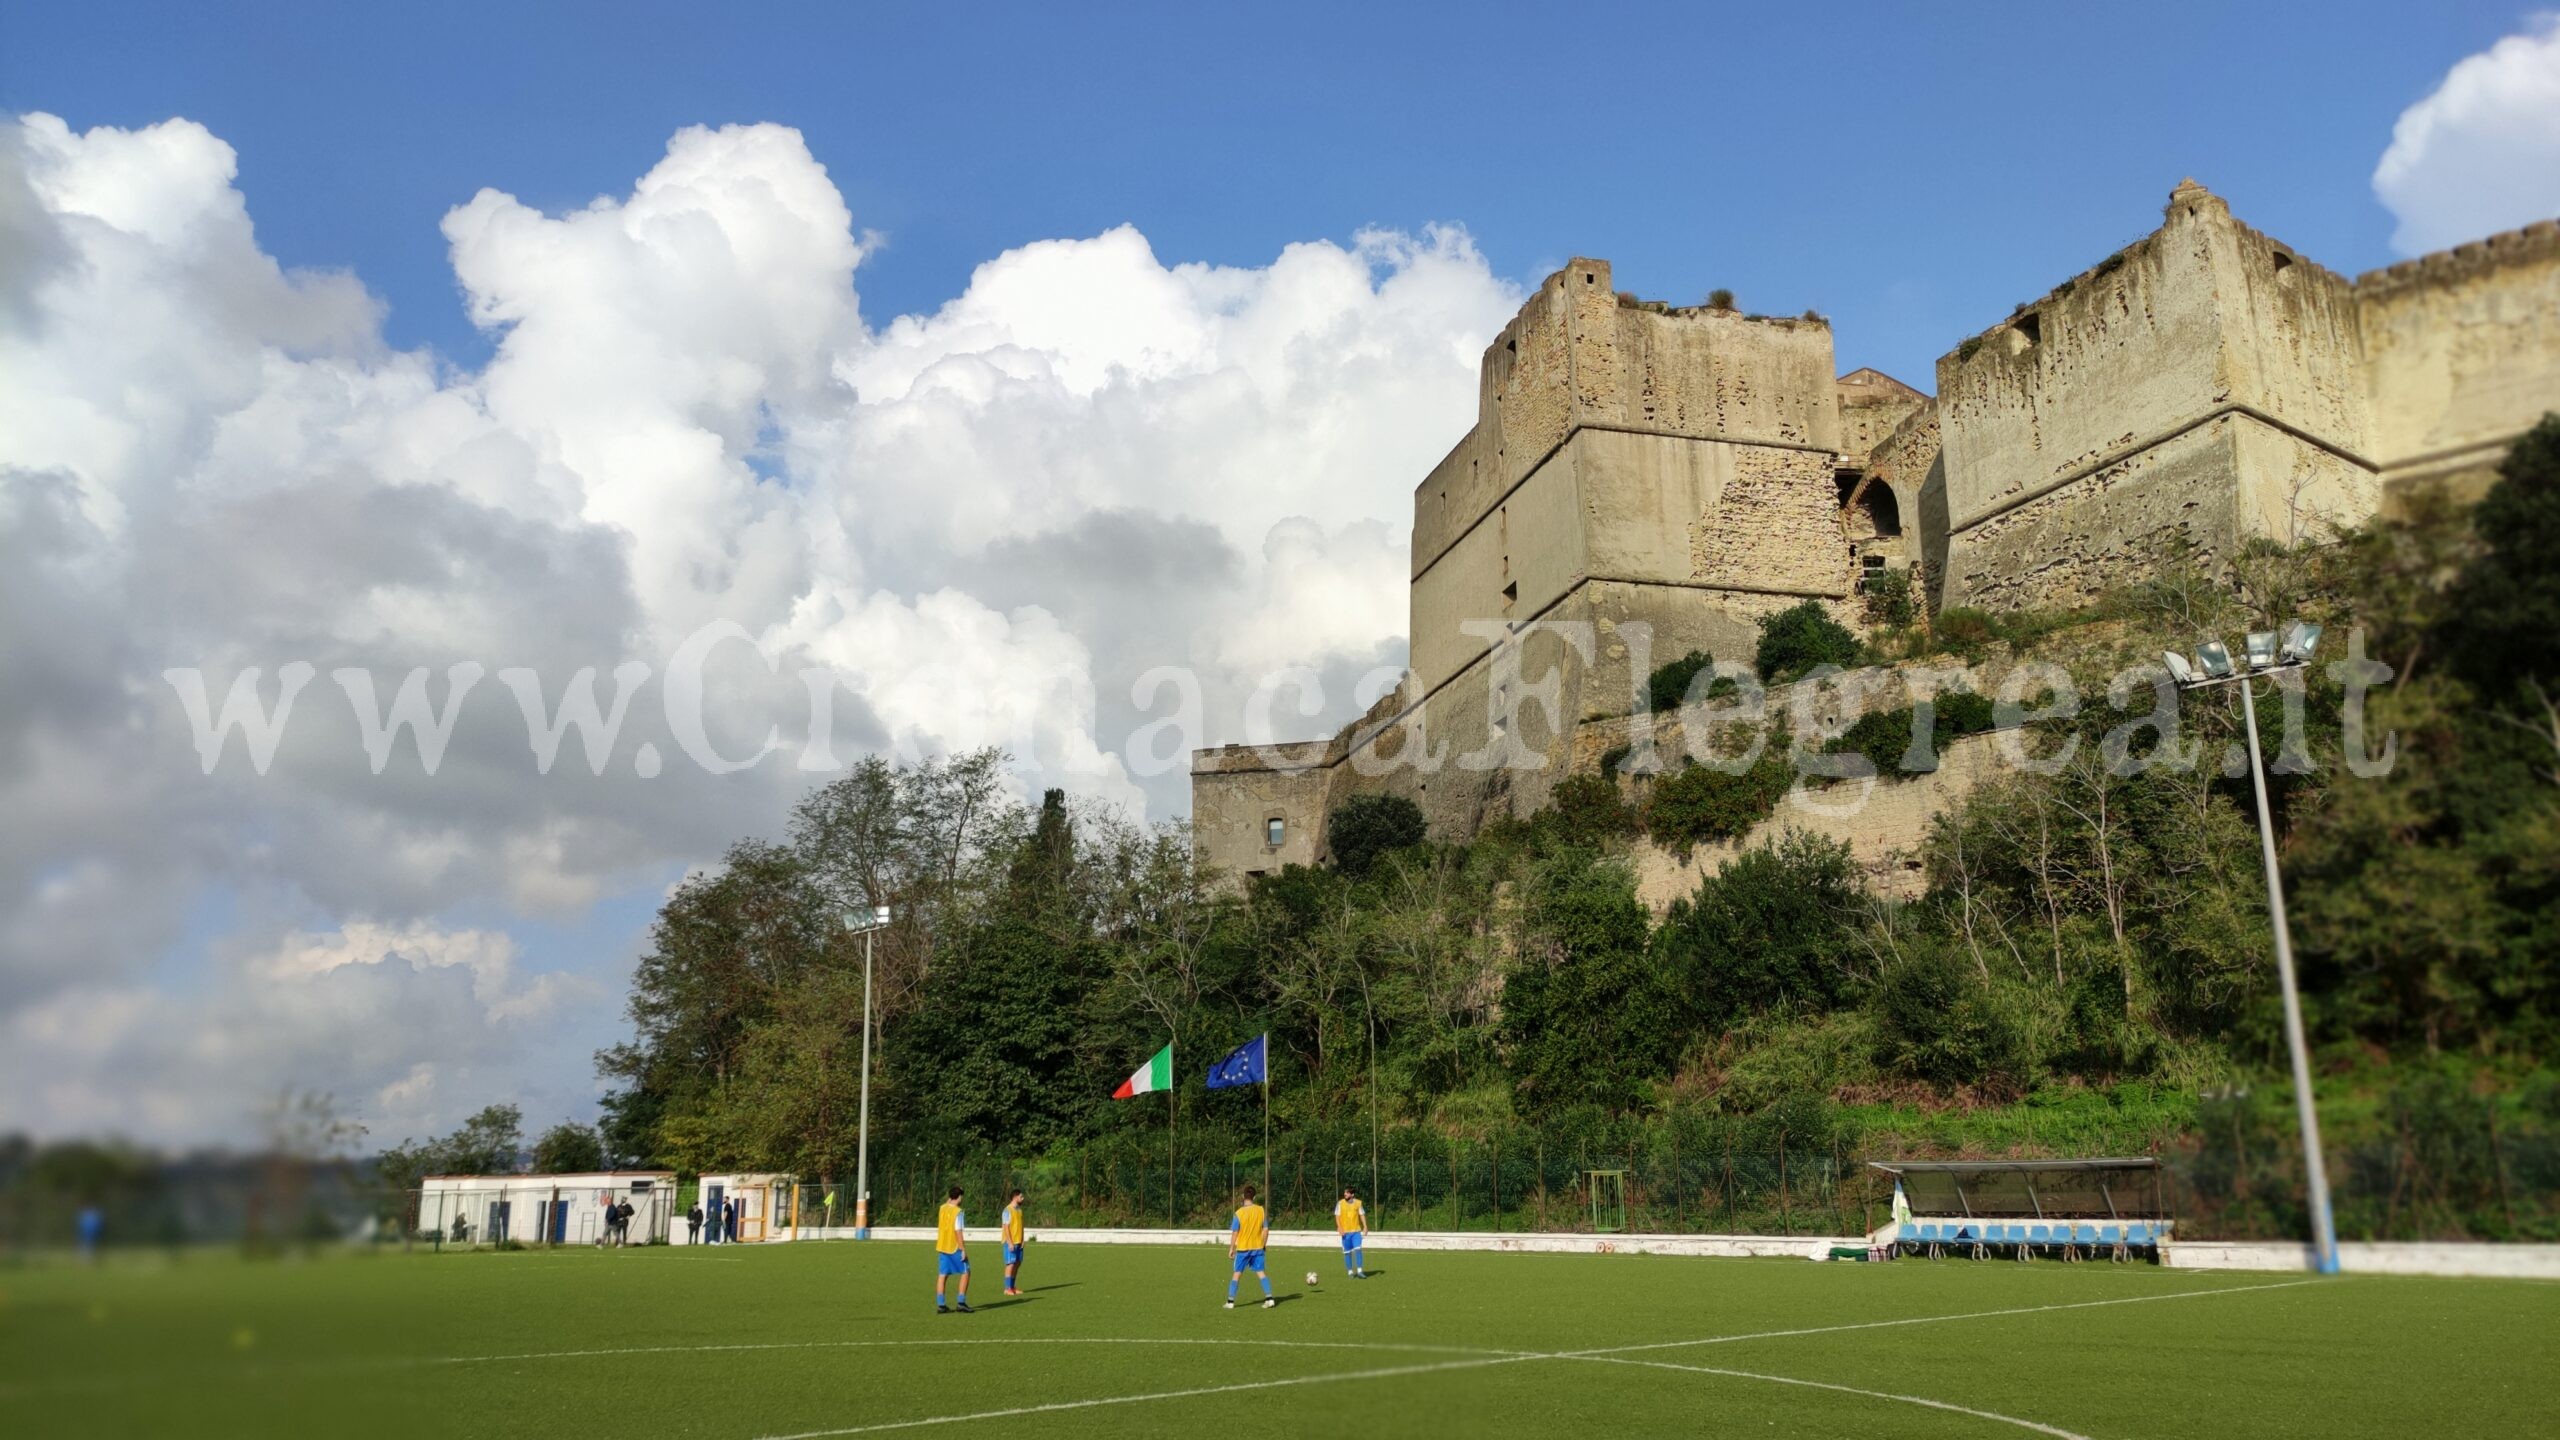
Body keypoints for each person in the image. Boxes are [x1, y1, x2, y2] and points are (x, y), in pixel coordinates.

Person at [1226, 1184, 1274, 1310]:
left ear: (1243, 1196)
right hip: (1257, 1247)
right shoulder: (1260, 1210)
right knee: (1261, 1273)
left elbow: (1235, 1232)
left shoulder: (1239, 1213)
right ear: (1255, 1196)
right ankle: (1269, 1299)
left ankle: (1230, 1302)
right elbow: (1266, 1229)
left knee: (1237, 1274)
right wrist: (1263, 1244)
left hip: (1243, 1249)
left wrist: (1231, 1248)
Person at [934, 1186, 974, 1314]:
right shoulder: (958, 1212)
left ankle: (941, 1305)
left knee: (942, 1275)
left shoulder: (942, 1208)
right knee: (966, 1272)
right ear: (960, 1197)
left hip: (942, 1246)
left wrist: (951, 1197)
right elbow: (958, 1231)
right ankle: (961, 1302)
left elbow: (947, 1203)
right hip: (954, 1247)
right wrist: (963, 1249)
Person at [1334, 1186, 1367, 1279]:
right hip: (1345, 1232)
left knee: (1358, 1249)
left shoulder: (1358, 1203)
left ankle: (1360, 1271)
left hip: (1356, 1231)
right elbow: (1337, 1216)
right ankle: (1350, 1272)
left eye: (1347, 1193)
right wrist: (1339, 1228)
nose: (1345, 1194)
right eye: (1345, 1192)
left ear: (1352, 1194)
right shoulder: (1340, 1203)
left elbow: (1362, 1214)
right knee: (1347, 1252)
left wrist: (1365, 1226)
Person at [999, 1188, 1027, 1296]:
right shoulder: (1007, 1210)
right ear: (1015, 1197)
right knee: (1010, 1264)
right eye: (1021, 1196)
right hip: (1010, 1242)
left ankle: (1012, 1287)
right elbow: (1006, 1227)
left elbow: (1021, 1225)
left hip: (1019, 1242)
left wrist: (1022, 1239)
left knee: (1017, 1263)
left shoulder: (1019, 1210)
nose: (1022, 1198)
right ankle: (1007, 1288)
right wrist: (1010, 1242)